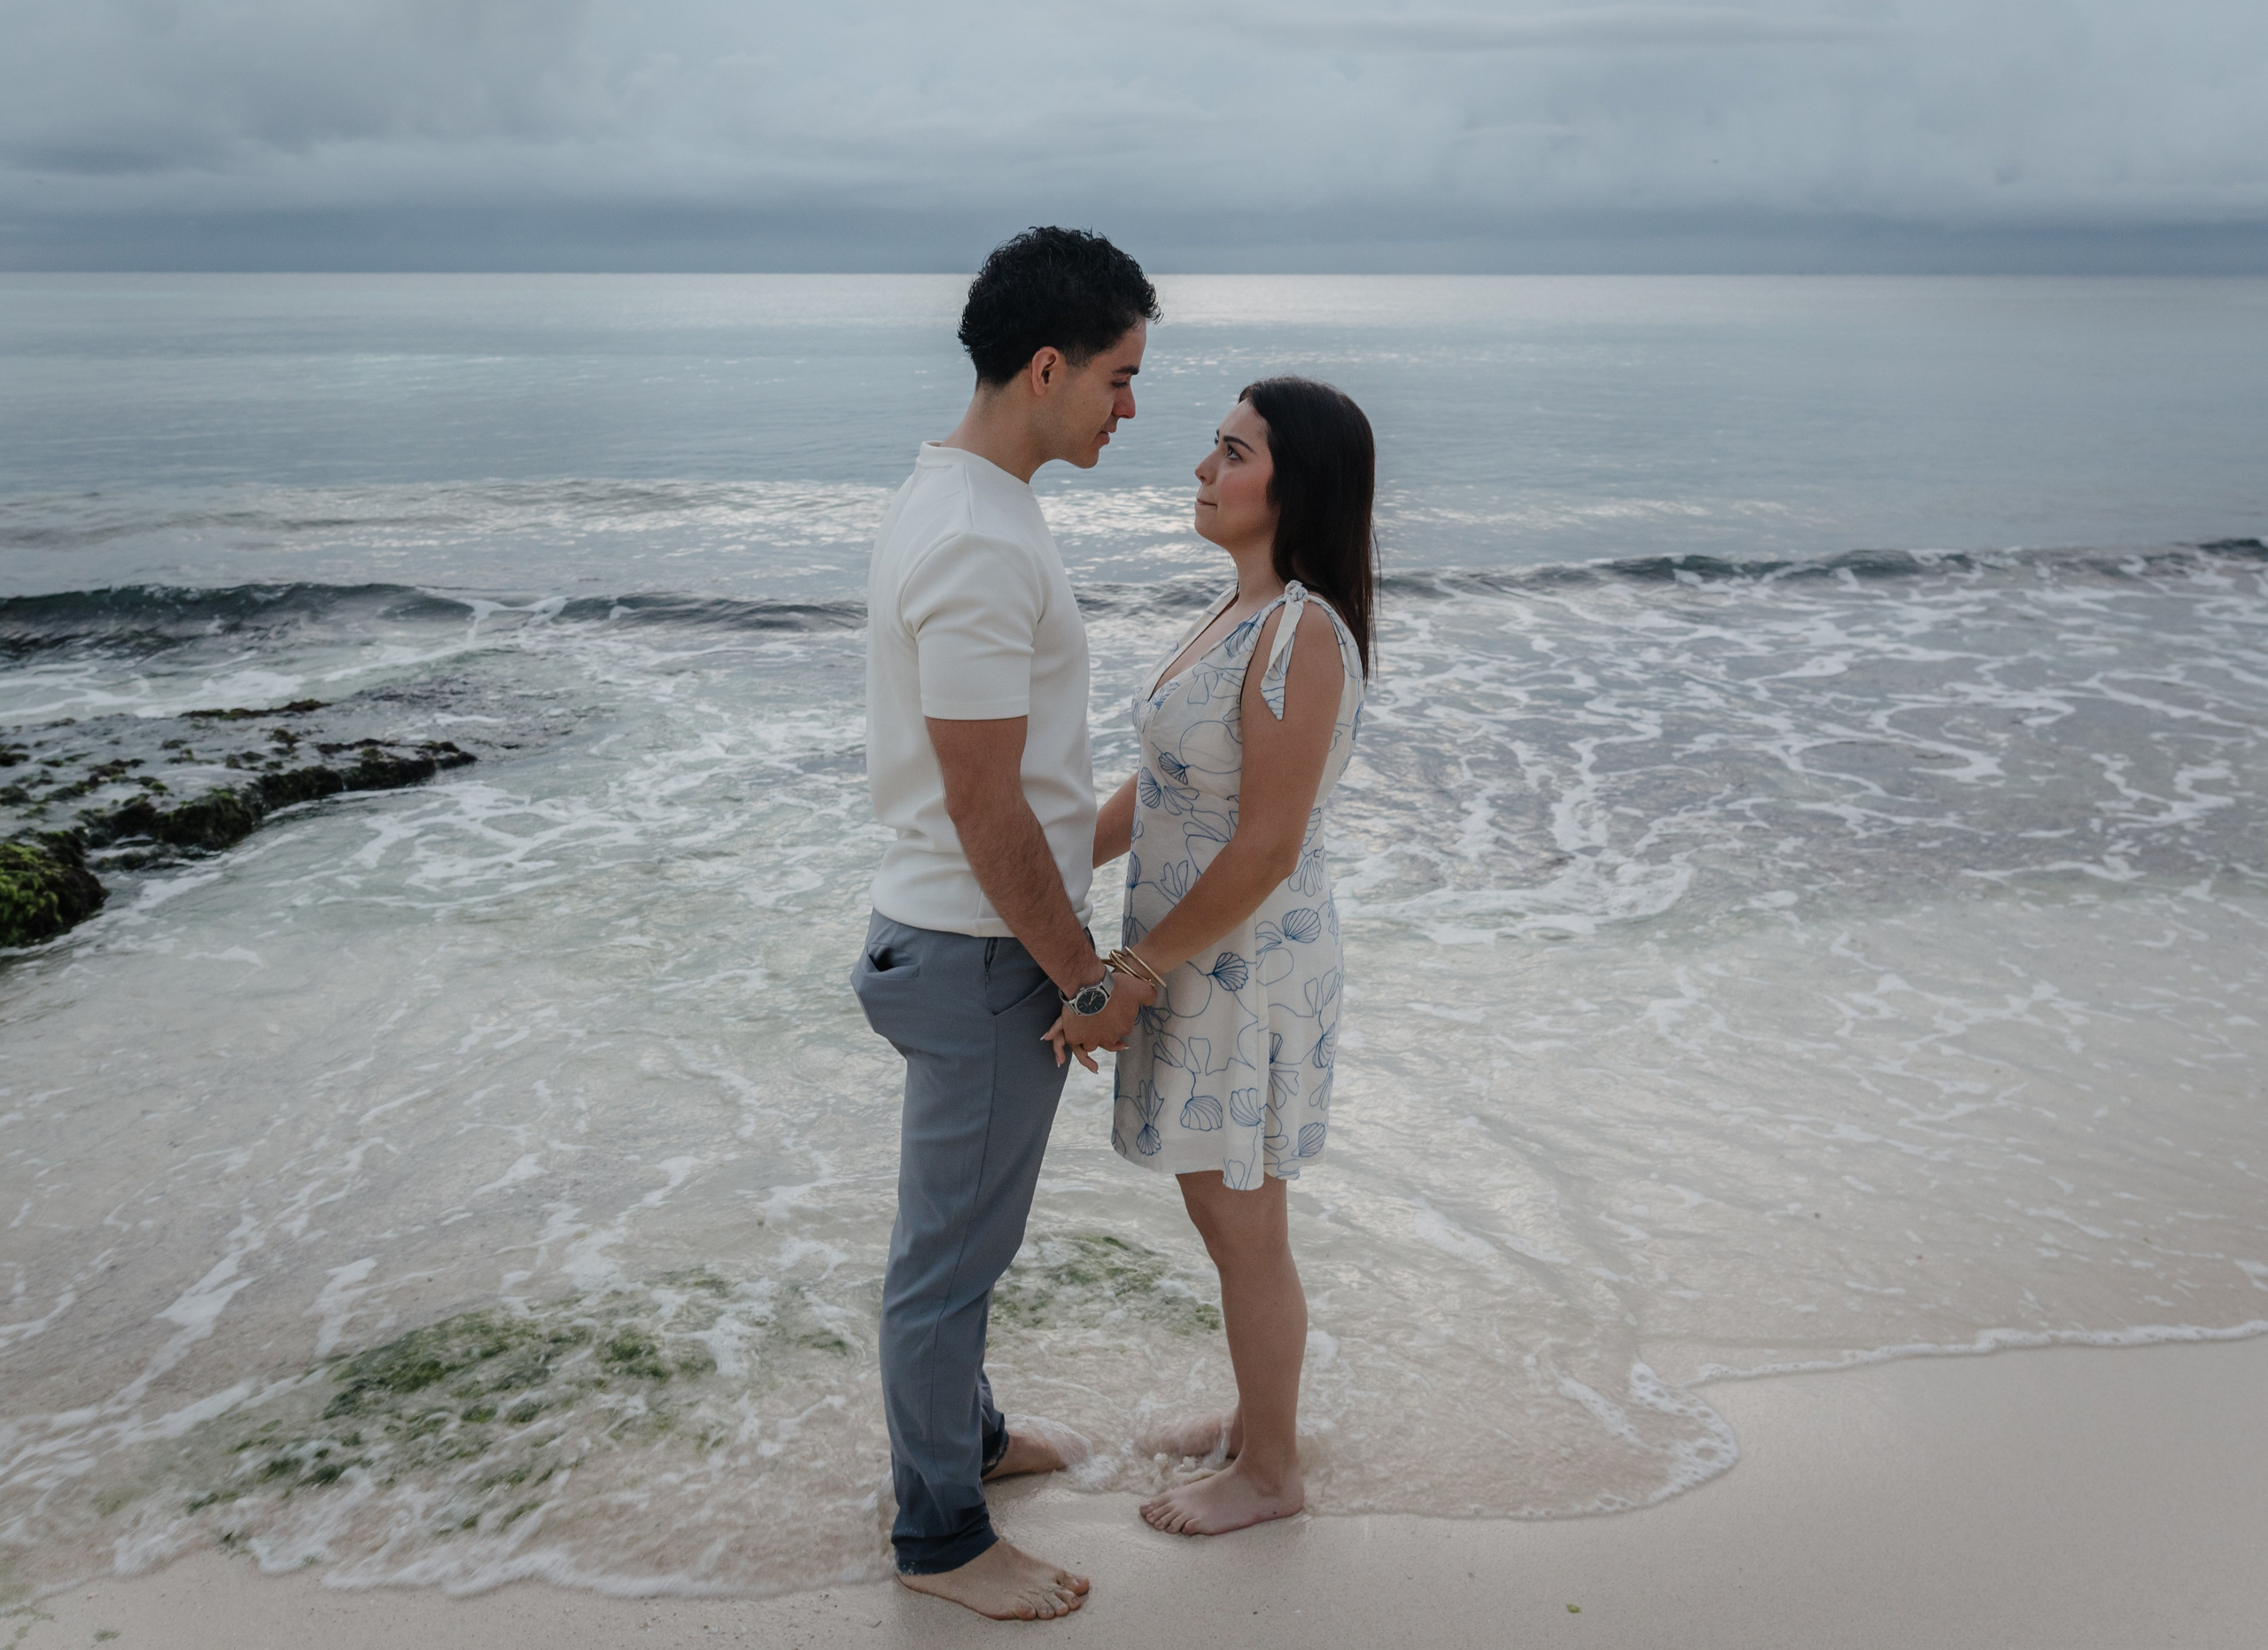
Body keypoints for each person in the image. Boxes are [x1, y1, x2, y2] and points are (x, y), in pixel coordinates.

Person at [849, 226, 1161, 1622]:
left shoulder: (967, 496)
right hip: (981, 953)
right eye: (1120, 375)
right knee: (946, 1264)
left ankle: (963, 1442)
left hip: (958, 935)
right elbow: (984, 805)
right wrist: (1084, 976)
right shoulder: (976, 537)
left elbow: (1003, 786)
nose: (1132, 408)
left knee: (958, 1243)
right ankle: (941, 1537)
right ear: (1047, 367)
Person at [1050, 377, 1377, 1537]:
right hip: (1203, 956)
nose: (1202, 468)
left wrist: (1128, 974)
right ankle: (1257, 1417)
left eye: (1231, 452)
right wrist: (1057, 863)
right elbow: (1171, 789)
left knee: (1243, 1219)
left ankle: (1274, 1471)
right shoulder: (1242, 611)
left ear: (1295, 485)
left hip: (1245, 967)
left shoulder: (1303, 633)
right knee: (1226, 1211)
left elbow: (1268, 844)